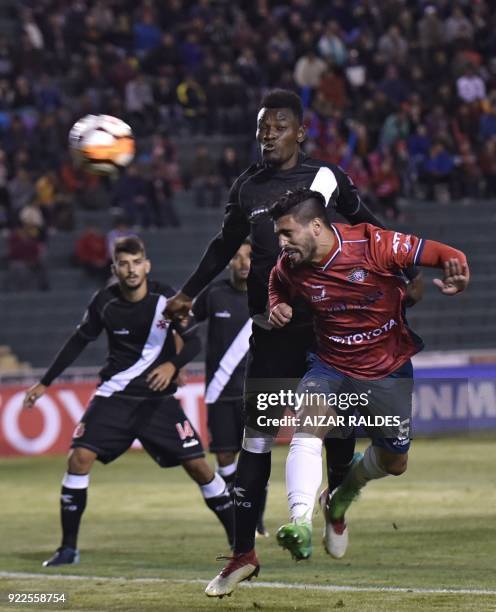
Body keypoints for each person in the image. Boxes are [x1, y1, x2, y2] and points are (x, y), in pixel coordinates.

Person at [165, 89, 422, 597]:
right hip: (272, 330)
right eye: (262, 126)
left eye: (278, 125)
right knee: (256, 440)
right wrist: (188, 292)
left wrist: (408, 272)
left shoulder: (326, 178)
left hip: (330, 327)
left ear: (300, 132)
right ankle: (242, 554)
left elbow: (368, 224)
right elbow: (222, 247)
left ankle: (337, 506)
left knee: (341, 433)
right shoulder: (246, 189)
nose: (267, 133)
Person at [266, 188, 469, 560]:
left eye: (286, 233)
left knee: (395, 463)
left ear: (315, 226)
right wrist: (276, 304)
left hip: (387, 368)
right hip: (331, 366)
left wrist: (458, 272)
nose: (281, 243)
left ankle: (339, 499)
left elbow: (445, 254)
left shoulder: (375, 245)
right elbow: (277, 283)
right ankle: (299, 522)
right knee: (308, 425)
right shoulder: (289, 264)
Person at [23, 237, 234, 567]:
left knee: (200, 467)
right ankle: (68, 548)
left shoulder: (167, 299)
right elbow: (79, 340)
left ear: (146, 265)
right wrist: (45, 382)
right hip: (115, 397)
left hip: (157, 399)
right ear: (115, 268)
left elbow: (194, 342)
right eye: (124, 263)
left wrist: (172, 365)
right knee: (78, 458)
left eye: (136, 262)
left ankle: (239, 544)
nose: (131, 269)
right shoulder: (104, 302)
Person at [192, 240, 268, 537]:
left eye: (249, 256)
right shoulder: (214, 294)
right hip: (220, 393)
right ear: (229, 263)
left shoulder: (268, 295)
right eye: (236, 257)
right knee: (225, 459)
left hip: (256, 391)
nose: (243, 262)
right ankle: (239, 515)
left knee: (256, 458)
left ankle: (256, 520)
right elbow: (185, 324)